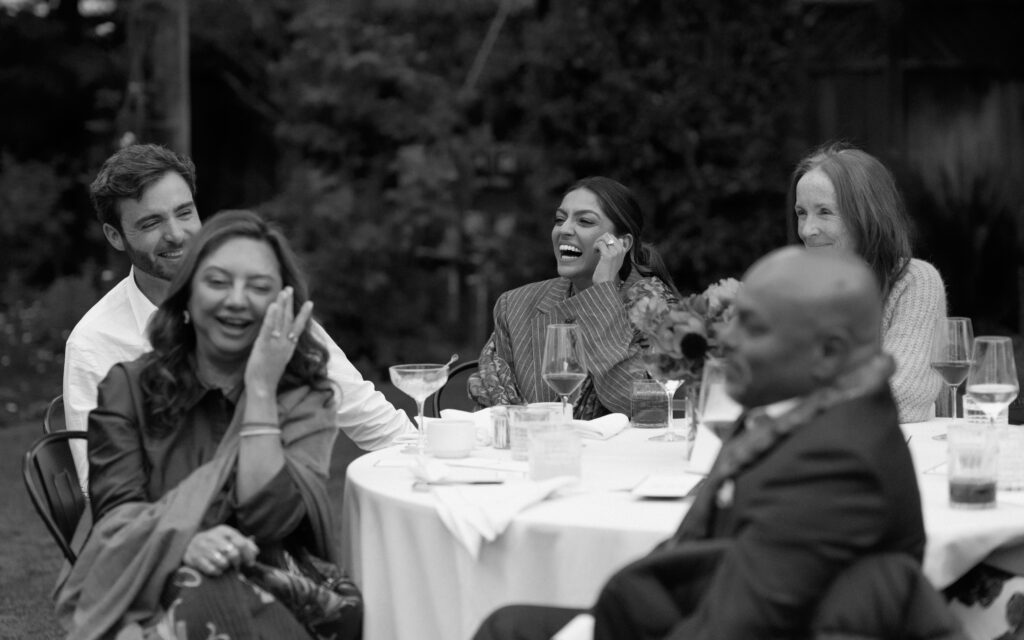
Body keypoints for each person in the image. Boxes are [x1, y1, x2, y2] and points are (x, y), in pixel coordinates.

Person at [474, 247, 933, 639]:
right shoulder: (801, 414)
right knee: (509, 624)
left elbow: (735, 628)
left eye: (752, 327)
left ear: (828, 353)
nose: (724, 339)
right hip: (683, 613)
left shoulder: (836, 461)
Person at [56, 210, 359, 639]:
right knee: (208, 594)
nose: (237, 299)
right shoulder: (129, 388)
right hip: (150, 582)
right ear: (186, 296)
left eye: (258, 287)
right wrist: (185, 542)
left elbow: (271, 521)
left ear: (281, 303)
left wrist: (258, 391)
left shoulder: (302, 397)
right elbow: (116, 516)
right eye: (218, 282)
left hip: (275, 579)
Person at [63, 143, 413, 489]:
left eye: (184, 213)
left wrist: (436, 469)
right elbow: (101, 487)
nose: (176, 234)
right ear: (115, 236)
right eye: (152, 222)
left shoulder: (265, 304)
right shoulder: (95, 343)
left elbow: (368, 416)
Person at [468, 176, 676, 419]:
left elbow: (641, 407)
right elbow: (498, 413)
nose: (564, 229)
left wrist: (601, 294)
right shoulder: (514, 305)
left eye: (585, 221)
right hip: (535, 451)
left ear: (622, 243)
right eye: (559, 219)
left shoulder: (654, 308)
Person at [791, 142, 947, 422]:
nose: (807, 230)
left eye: (825, 212)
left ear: (867, 215)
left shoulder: (914, 281)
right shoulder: (796, 286)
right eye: (801, 212)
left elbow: (900, 394)